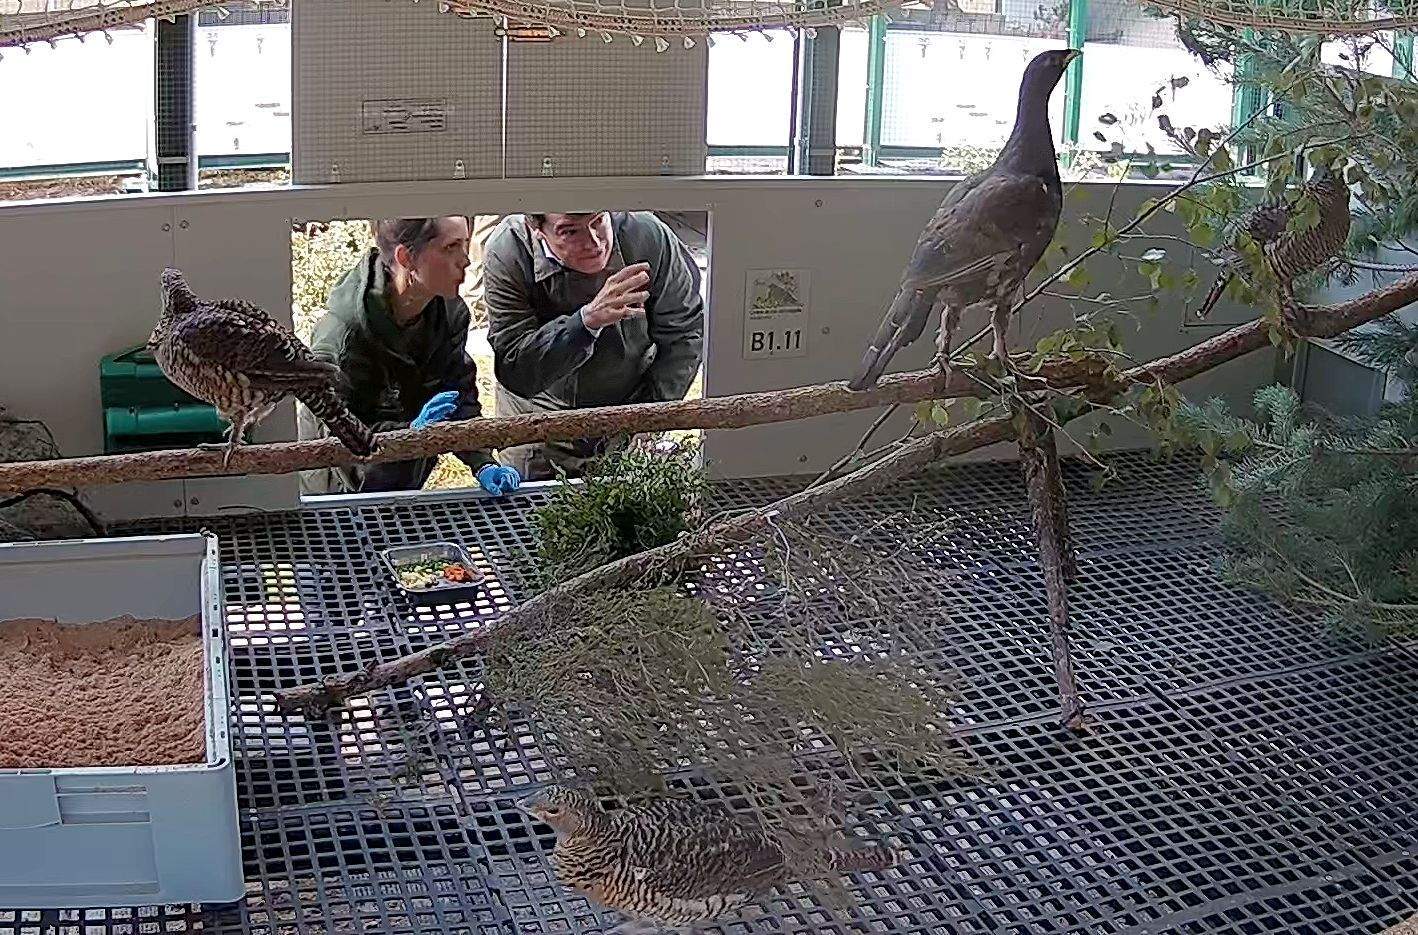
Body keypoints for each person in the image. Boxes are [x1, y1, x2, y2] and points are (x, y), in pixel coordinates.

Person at [297, 215, 522, 496]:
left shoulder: (448, 315)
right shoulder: (344, 336)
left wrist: (483, 463)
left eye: (465, 245)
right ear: (407, 258)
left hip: (404, 479)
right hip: (338, 490)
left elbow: (457, 398)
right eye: (450, 248)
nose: (465, 260)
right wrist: (407, 435)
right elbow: (340, 438)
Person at [481, 210, 705, 480]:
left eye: (598, 221)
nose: (595, 242)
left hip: (625, 409)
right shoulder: (509, 250)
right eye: (570, 231)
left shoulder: (647, 236)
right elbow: (514, 366)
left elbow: (684, 333)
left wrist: (650, 416)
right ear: (537, 229)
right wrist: (585, 323)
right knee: (529, 510)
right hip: (538, 415)